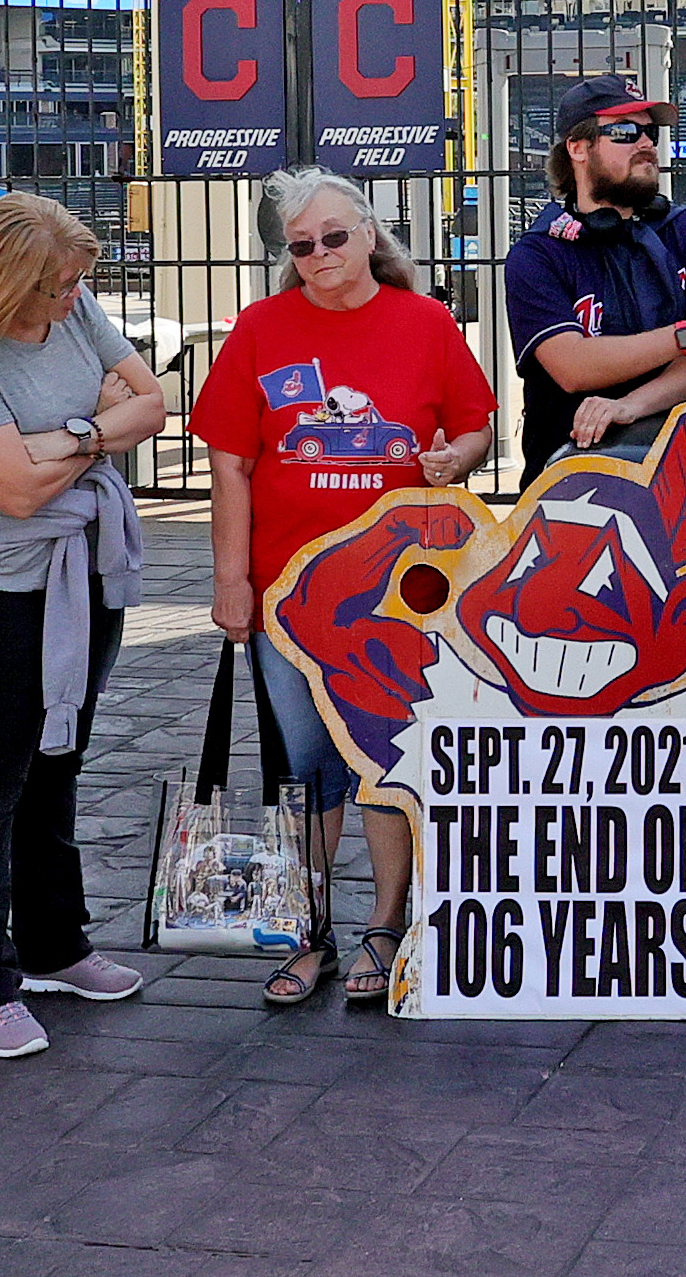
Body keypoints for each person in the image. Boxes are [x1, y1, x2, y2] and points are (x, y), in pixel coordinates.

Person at [193, 170, 497, 1005]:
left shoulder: (425, 321)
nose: (319, 255)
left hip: (400, 594)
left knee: (386, 760)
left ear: (368, 232)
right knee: (304, 764)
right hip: (288, 595)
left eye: (334, 236)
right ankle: (307, 926)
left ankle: (386, 922)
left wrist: (456, 459)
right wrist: (230, 581)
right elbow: (230, 462)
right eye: (300, 246)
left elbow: (475, 421)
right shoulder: (261, 328)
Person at [0, 193, 169, 1060]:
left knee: (57, 760)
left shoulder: (76, 302)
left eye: (75, 287)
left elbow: (156, 404)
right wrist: (100, 430)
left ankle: (55, 945)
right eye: (57, 289)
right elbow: (10, 493)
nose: (74, 300)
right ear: (4, 284)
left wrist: (62, 440)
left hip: (80, 574)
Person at [502, 74, 686, 487]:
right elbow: (572, 366)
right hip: (566, 483)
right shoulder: (538, 253)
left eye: (649, 131)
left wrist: (629, 407)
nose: (646, 143)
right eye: (624, 132)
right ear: (578, 148)